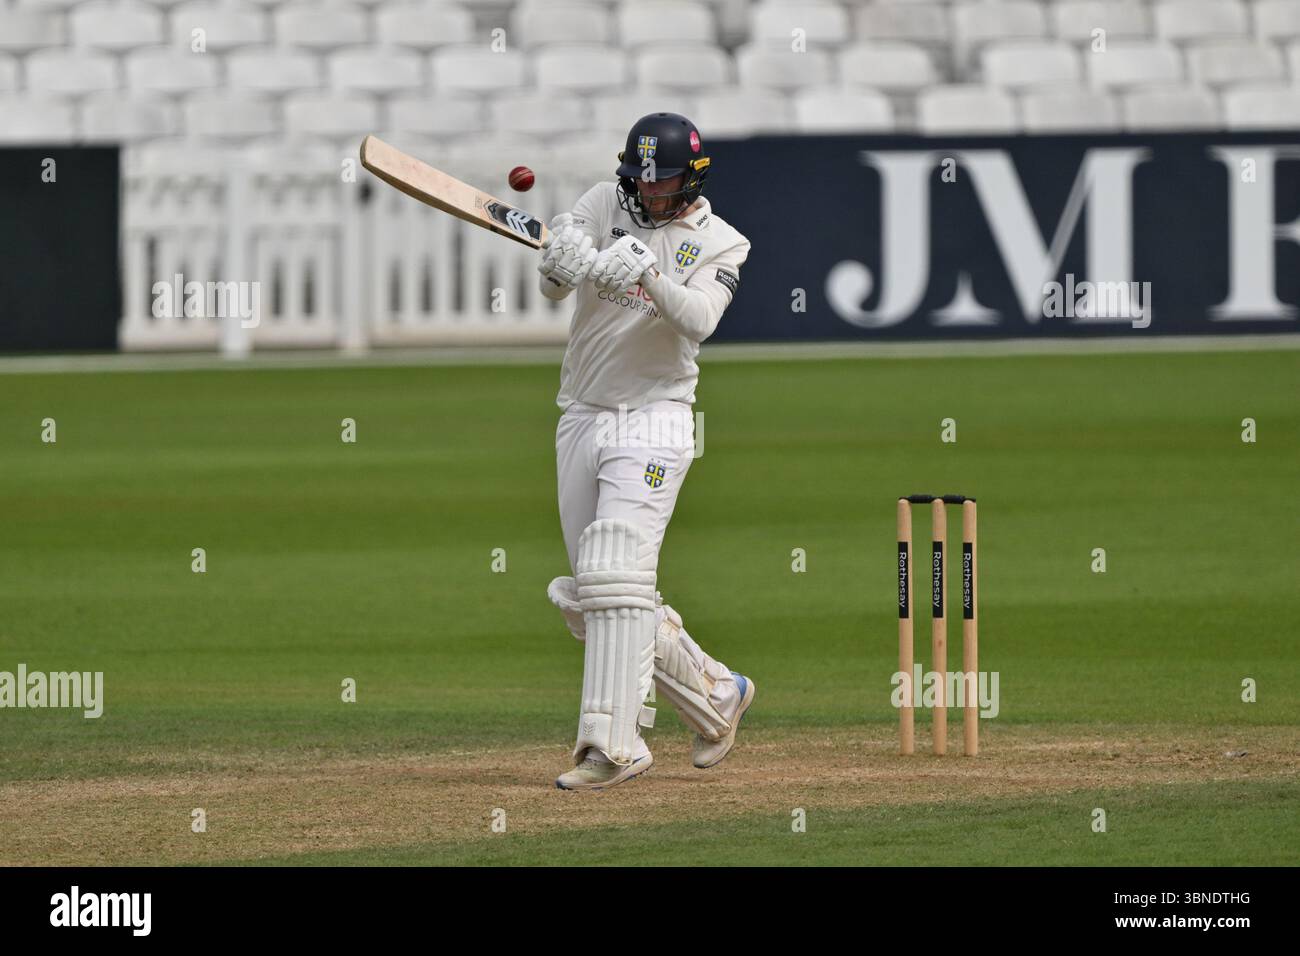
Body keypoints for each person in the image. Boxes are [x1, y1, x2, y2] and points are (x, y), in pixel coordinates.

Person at [539, 113, 755, 791]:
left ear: (691, 183)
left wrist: (651, 277)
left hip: (657, 419)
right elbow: (552, 287)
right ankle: (717, 695)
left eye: (663, 186)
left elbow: (701, 321)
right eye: (642, 183)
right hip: (582, 410)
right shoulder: (603, 204)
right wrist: (559, 263)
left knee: (614, 574)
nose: (650, 196)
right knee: (596, 597)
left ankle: (615, 745)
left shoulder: (723, 242)